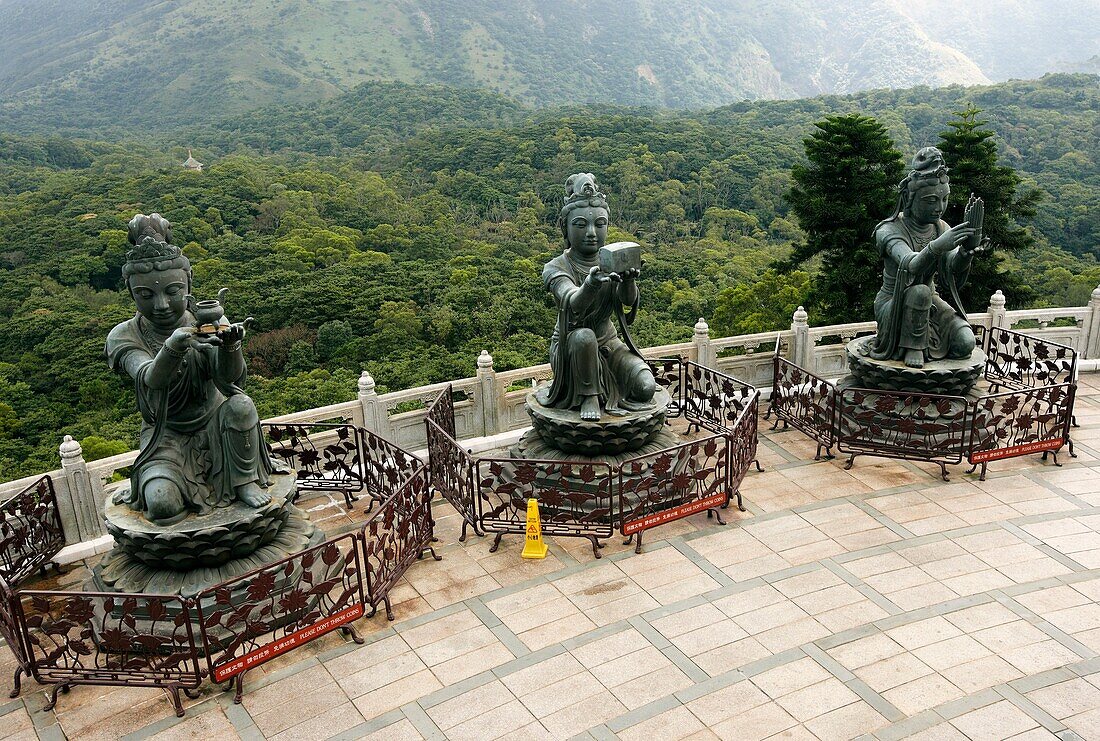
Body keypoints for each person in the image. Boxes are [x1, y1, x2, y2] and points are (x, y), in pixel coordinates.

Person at [105, 213, 276, 524]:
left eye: (172, 292)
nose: (161, 305)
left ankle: (244, 481)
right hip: (165, 435)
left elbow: (232, 381)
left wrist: (231, 346)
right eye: (146, 295)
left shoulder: (207, 321)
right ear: (131, 293)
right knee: (161, 506)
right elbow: (149, 378)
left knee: (240, 405)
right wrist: (174, 346)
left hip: (217, 424)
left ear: (188, 285)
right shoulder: (125, 335)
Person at [536, 174, 656, 422]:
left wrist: (628, 280)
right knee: (584, 336)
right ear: (566, 229)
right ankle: (588, 394)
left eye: (599, 224)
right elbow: (571, 302)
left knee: (646, 388)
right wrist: (589, 284)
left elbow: (626, 302)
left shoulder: (611, 260)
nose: (591, 232)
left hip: (609, 343)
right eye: (581, 225)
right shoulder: (556, 267)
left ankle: (613, 390)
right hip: (572, 350)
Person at [869, 147, 986, 369]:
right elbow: (911, 264)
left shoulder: (940, 227)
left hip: (930, 300)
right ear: (909, 198)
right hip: (894, 304)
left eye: (944, 200)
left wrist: (966, 252)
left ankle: (932, 350)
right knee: (919, 291)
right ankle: (913, 345)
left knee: (965, 342)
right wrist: (937, 247)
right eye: (931, 200)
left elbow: (950, 268)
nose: (939, 208)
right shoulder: (889, 229)